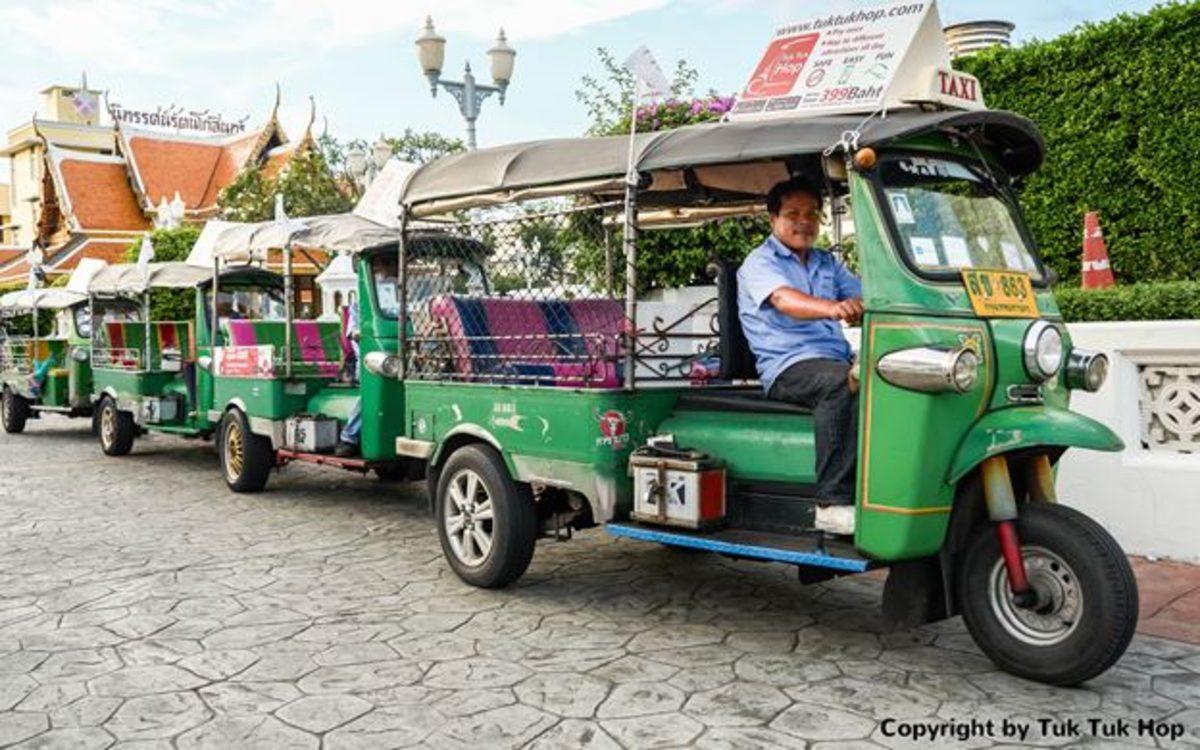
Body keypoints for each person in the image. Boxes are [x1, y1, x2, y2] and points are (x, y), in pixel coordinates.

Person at [737, 178, 864, 535]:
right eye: (792, 214)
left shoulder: (827, 262)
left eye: (812, 214)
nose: (804, 222)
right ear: (773, 219)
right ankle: (832, 503)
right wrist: (835, 308)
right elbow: (784, 300)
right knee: (840, 383)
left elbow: (865, 294)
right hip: (786, 366)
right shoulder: (759, 262)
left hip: (834, 357)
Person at [335, 292, 362, 457]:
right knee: (370, 397)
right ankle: (349, 437)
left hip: (396, 356)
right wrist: (361, 332)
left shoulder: (398, 300)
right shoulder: (358, 305)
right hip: (368, 358)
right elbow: (352, 332)